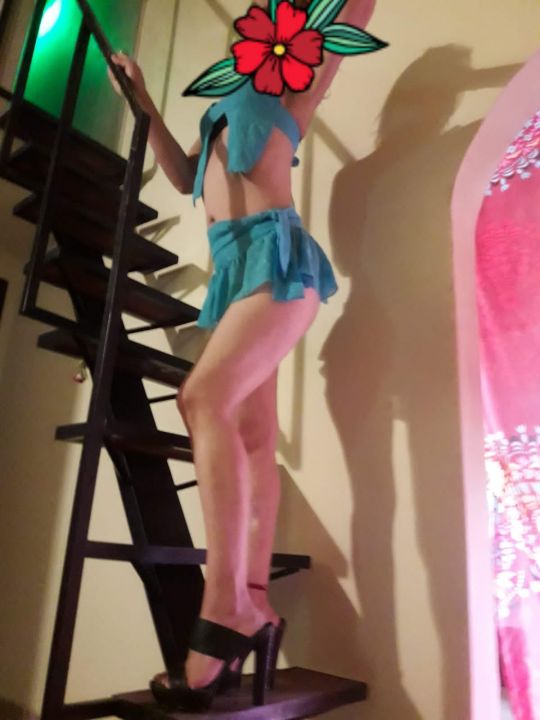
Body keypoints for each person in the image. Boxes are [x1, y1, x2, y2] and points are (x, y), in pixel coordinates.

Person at [109, 0, 378, 711]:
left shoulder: (296, 86)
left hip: (276, 257)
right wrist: (141, 100)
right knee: (253, 436)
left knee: (201, 400)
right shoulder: (220, 107)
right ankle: (253, 600)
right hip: (232, 270)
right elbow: (182, 176)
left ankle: (224, 602)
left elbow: (353, 10)